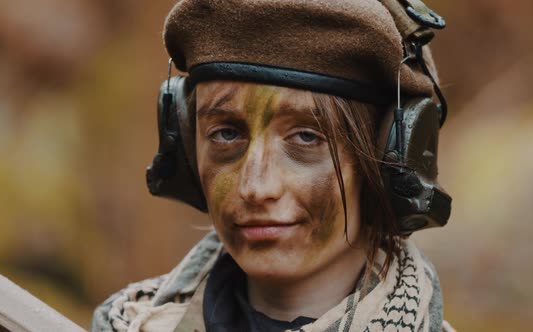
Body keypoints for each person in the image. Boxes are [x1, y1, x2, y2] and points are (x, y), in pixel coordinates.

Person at [92, 0, 455, 331]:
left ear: (394, 157)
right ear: (185, 144)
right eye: (226, 134)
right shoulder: (127, 321)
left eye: (306, 137)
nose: (255, 188)